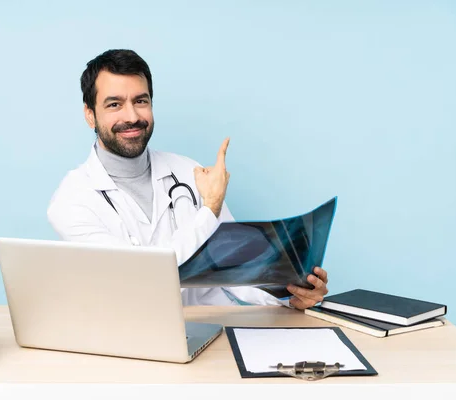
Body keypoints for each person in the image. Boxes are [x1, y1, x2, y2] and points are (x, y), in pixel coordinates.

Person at [47, 49, 329, 308]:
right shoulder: (72, 200)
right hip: (130, 340)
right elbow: (145, 279)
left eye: (140, 101)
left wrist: (289, 293)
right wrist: (210, 209)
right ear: (90, 115)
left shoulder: (187, 172)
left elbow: (235, 267)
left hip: (210, 334)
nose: (132, 116)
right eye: (114, 104)